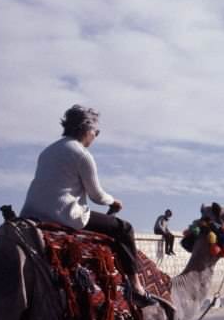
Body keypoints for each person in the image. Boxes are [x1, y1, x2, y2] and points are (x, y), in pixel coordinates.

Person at [20, 105, 153, 303]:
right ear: (86, 129)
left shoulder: (48, 150)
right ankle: (136, 287)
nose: (95, 136)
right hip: (63, 214)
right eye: (96, 132)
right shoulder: (81, 154)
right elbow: (96, 196)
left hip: (31, 213)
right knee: (125, 229)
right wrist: (113, 201)